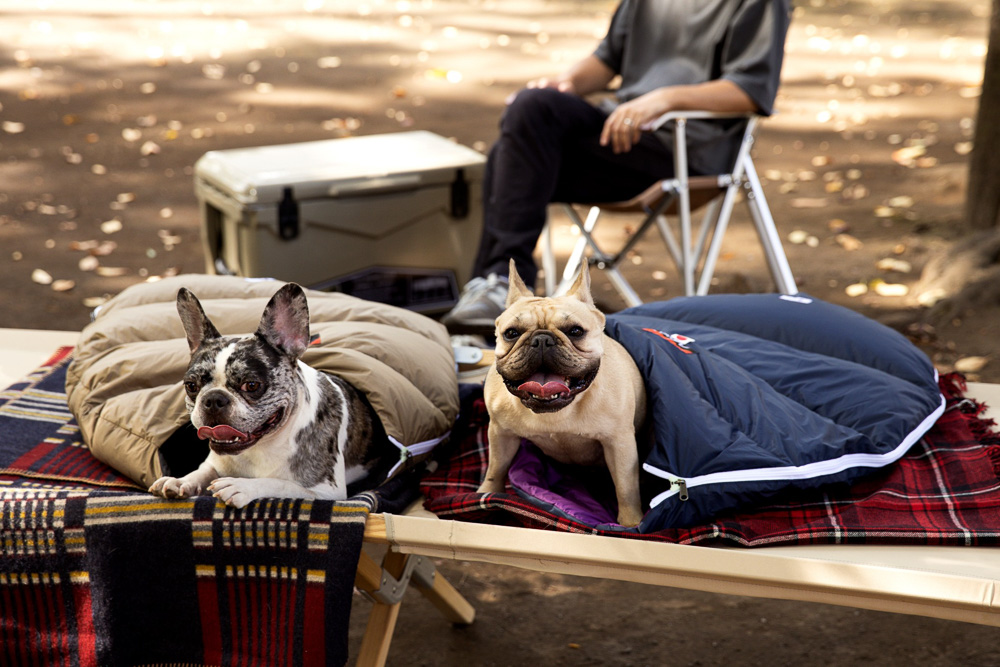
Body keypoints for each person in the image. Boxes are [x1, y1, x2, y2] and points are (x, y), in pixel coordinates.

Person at [441, 0, 791, 332]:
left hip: (685, 153)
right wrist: (567, 84)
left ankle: (502, 288)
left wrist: (663, 99)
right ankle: (494, 292)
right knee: (518, 136)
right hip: (619, 136)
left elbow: (750, 90)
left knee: (529, 120)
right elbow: (607, 59)